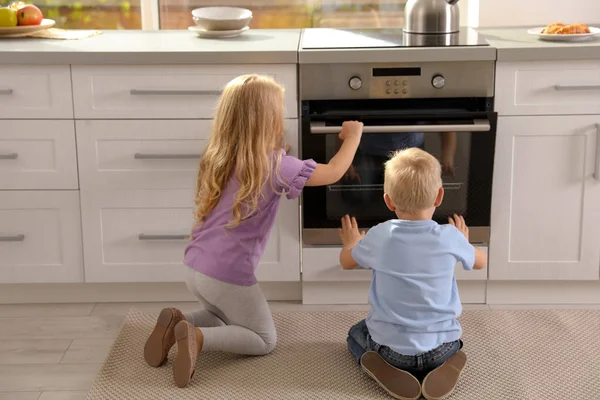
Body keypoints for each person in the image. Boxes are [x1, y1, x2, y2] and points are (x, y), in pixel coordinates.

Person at [142, 74, 363, 388]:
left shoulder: (218, 158)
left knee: (222, 315)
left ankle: (181, 321)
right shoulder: (276, 166)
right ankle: (198, 337)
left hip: (195, 267)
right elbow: (334, 172)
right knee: (263, 339)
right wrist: (353, 137)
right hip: (227, 275)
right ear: (269, 121)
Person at [338, 147, 486, 400]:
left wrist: (351, 243)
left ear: (388, 200)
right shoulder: (449, 237)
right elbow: (481, 262)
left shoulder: (380, 234)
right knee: (451, 335)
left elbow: (346, 262)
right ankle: (445, 364)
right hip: (443, 346)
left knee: (356, 333)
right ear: (439, 196)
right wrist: (463, 241)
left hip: (393, 351)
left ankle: (385, 368)